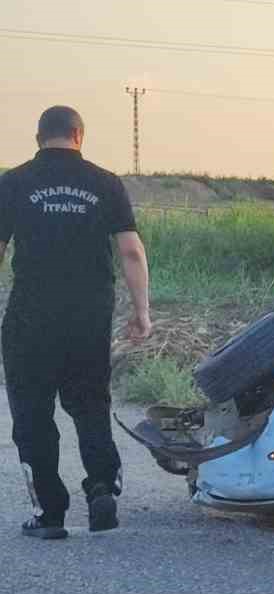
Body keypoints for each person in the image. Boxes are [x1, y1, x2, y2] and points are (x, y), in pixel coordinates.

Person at [1, 106, 152, 540]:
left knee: (32, 413)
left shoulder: (13, 182)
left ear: (38, 137)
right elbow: (132, 252)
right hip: (89, 316)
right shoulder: (105, 183)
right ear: (79, 136)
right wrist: (141, 311)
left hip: (31, 316)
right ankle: (102, 486)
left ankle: (49, 514)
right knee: (89, 403)